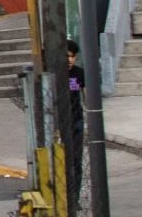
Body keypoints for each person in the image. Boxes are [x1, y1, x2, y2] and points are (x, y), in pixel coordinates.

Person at [66, 40, 85, 208]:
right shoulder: (54, 74)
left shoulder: (79, 73)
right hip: (60, 124)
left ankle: (75, 198)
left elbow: (86, 95)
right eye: (66, 56)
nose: (69, 60)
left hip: (76, 121)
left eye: (72, 56)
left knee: (76, 162)